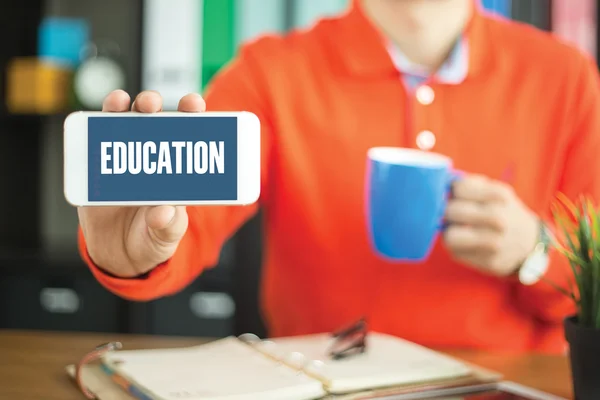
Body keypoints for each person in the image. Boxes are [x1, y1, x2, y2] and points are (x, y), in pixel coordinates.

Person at [77, 0, 600, 354]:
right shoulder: (269, 72)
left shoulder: (568, 78)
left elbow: (591, 284)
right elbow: (188, 222)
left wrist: (535, 252)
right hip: (324, 382)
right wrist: (136, 253)